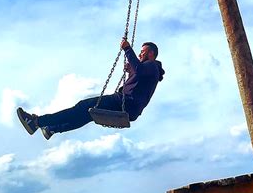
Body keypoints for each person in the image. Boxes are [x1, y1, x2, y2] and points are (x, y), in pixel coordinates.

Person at [17, 39, 164, 140]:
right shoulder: (150, 71)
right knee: (87, 115)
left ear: (151, 54)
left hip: (124, 102)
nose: (140, 54)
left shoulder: (152, 65)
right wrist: (131, 70)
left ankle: (36, 122)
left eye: (143, 52)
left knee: (82, 106)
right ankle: (53, 128)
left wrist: (127, 48)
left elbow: (138, 70)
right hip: (130, 108)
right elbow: (138, 75)